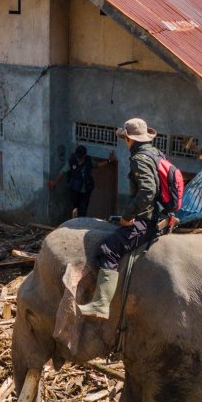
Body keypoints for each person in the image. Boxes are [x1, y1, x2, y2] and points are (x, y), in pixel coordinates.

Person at [77, 119, 161, 320]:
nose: (124, 141)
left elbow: (148, 192)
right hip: (157, 214)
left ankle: (101, 304)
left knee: (108, 250)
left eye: (125, 138)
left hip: (145, 219)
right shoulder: (156, 153)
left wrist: (127, 217)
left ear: (129, 139)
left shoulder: (139, 159)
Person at [48, 146, 116, 219]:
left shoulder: (89, 161)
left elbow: (97, 165)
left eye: (80, 157)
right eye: (77, 157)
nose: (78, 159)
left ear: (84, 156)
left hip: (86, 190)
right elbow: (62, 171)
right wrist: (54, 182)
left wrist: (109, 161)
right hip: (74, 189)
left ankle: (81, 223)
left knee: (83, 210)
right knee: (75, 208)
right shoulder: (71, 161)